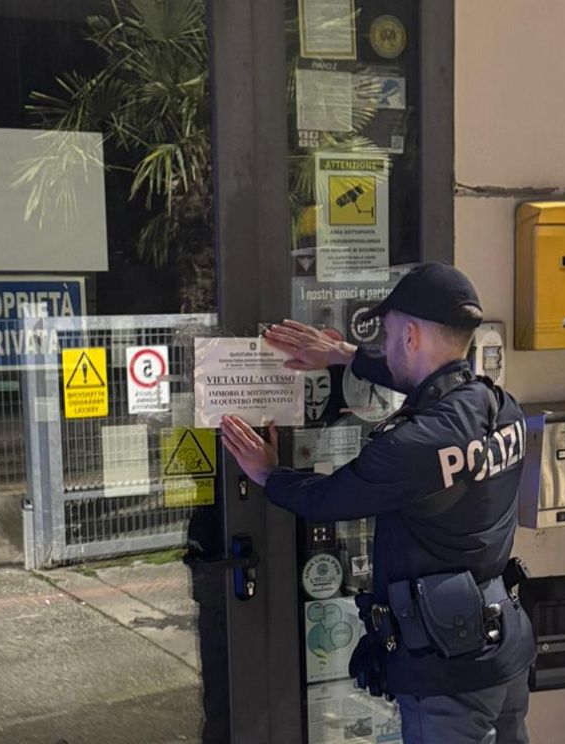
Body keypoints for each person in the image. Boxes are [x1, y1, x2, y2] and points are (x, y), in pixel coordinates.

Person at [220, 262, 535, 744]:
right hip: (502, 649)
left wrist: (267, 473)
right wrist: (345, 355)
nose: (382, 347)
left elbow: (326, 499)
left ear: (410, 336)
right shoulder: (500, 408)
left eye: (386, 335)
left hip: (447, 671)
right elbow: (434, 389)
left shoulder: (411, 446)